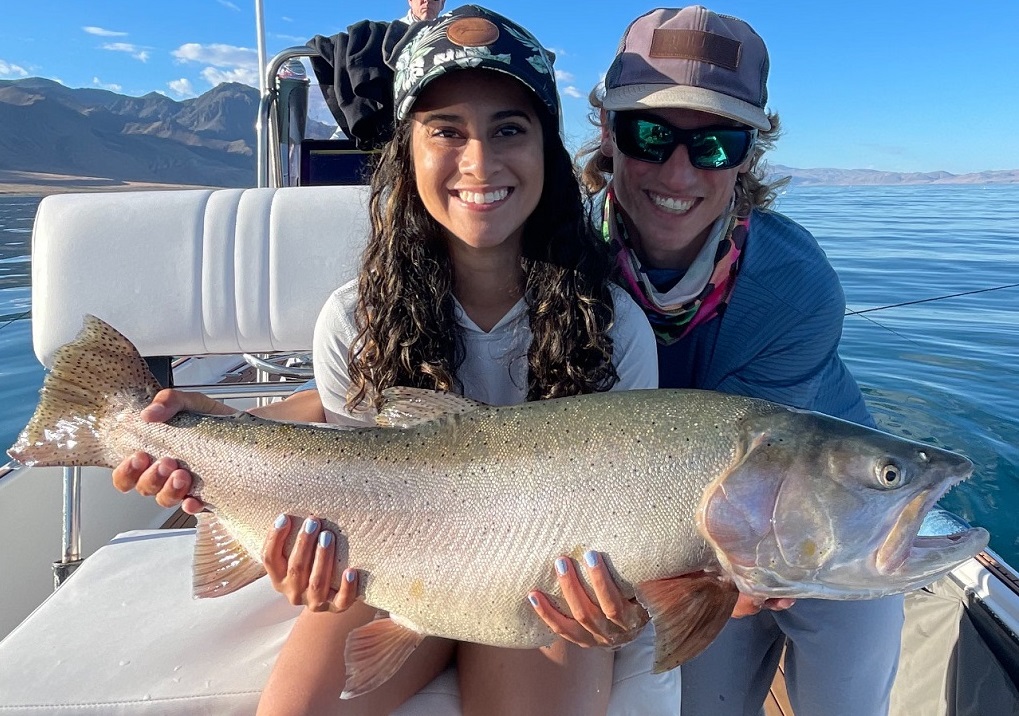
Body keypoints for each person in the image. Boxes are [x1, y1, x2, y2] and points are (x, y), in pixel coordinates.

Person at [112, 6, 672, 715]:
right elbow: (351, 480)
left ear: (546, 152)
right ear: (404, 152)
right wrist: (289, 542)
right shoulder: (351, 321)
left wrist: (625, 604)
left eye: (509, 129)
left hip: (545, 588)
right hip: (393, 568)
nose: (479, 162)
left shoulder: (615, 324)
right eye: (445, 131)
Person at [540, 6, 905, 716]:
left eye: (714, 143)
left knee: (847, 696)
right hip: (681, 532)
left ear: (746, 156)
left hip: (831, 502)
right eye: (648, 134)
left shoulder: (794, 284)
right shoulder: (555, 266)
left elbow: (763, 481)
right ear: (608, 138)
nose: (677, 169)